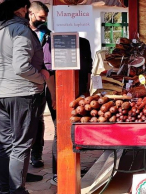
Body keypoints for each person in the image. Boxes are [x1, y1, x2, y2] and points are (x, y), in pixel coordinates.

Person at [0, 0, 50, 194]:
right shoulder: (20, 30)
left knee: (4, 143)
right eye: (26, 10)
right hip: (22, 94)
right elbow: (21, 66)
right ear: (21, 9)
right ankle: (16, 190)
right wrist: (41, 77)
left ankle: (2, 187)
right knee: (21, 145)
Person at [49, 37, 92, 186]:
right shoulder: (52, 41)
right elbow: (48, 72)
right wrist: (54, 95)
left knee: (73, 128)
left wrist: (87, 90)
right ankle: (58, 172)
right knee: (60, 130)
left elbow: (89, 69)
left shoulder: (84, 43)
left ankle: (73, 166)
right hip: (59, 91)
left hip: (79, 91)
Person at [27, 1, 53, 168]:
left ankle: (37, 153)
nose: (43, 21)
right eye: (41, 17)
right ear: (31, 14)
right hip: (25, 80)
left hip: (43, 80)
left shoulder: (48, 34)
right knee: (25, 121)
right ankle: (23, 154)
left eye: (45, 18)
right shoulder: (20, 32)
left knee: (38, 118)